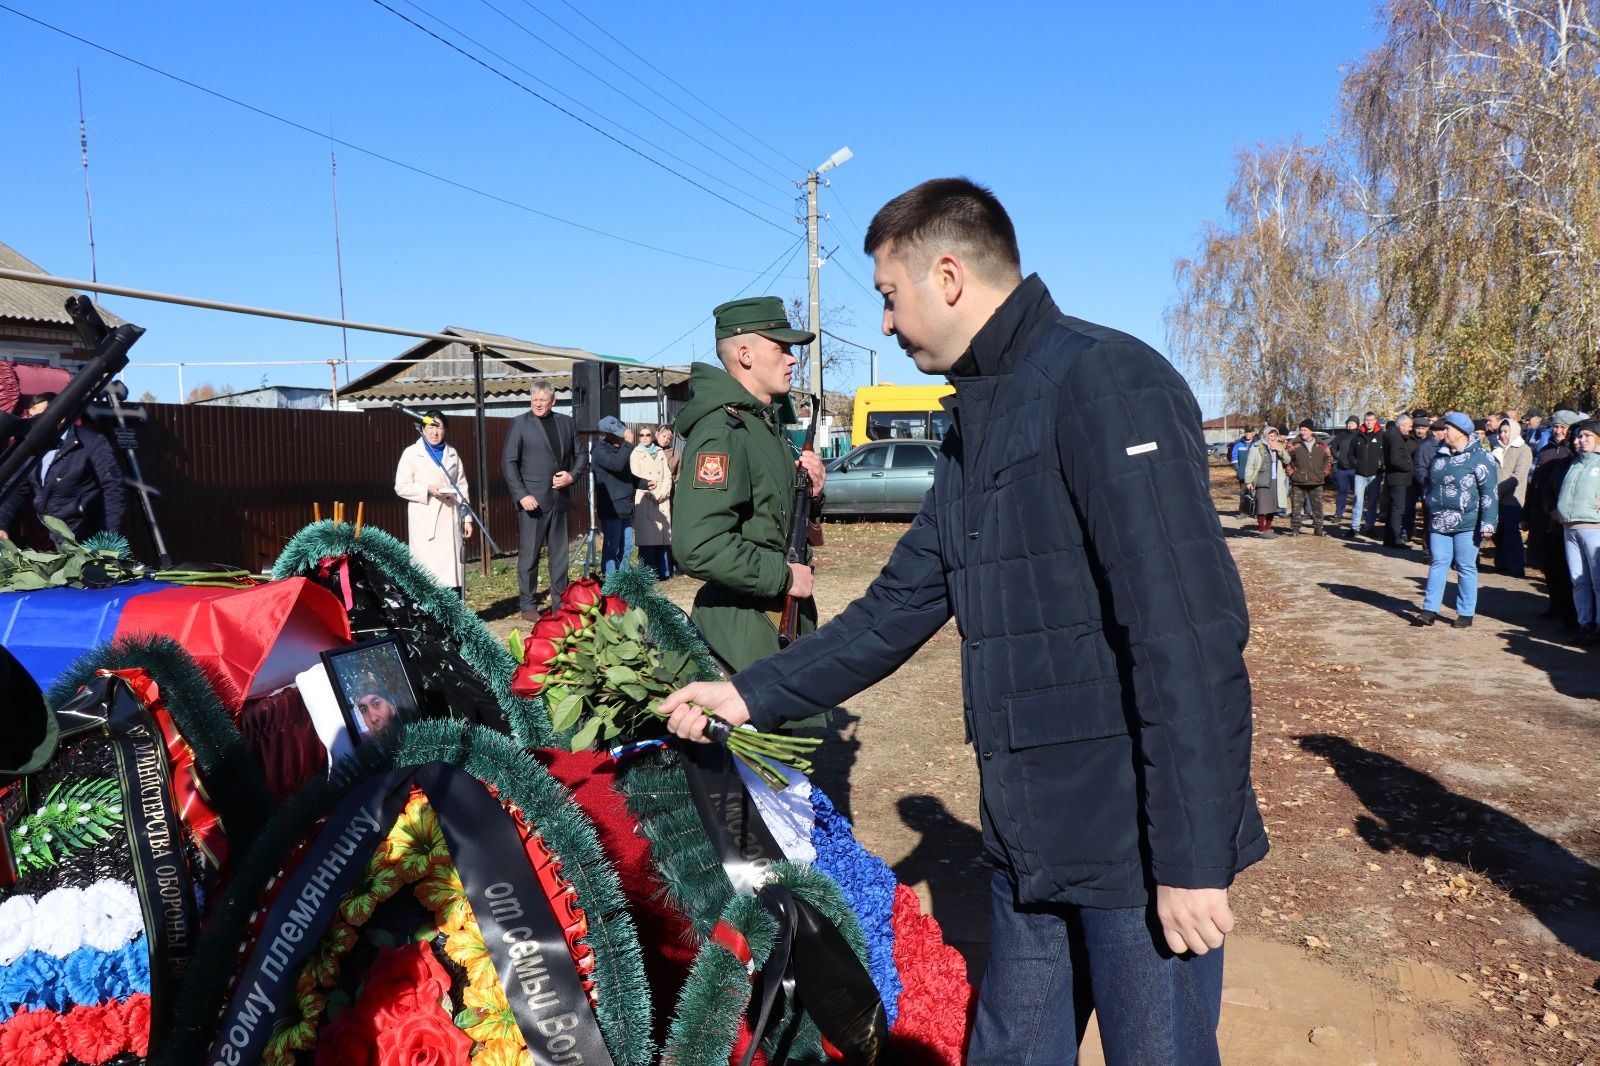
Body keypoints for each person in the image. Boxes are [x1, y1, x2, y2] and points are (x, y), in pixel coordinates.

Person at [659, 178, 1267, 1065]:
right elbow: (896, 606)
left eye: (888, 296)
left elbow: (1186, 635)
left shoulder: (1106, 382)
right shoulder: (977, 422)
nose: (889, 322)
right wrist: (749, 695)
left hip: (1138, 855)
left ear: (946, 275)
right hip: (1031, 843)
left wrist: (1192, 856)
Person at [670, 295, 828, 671]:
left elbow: (772, 522)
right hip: (741, 633)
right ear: (745, 354)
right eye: (782, 348)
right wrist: (783, 575)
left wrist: (814, 496)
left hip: (773, 619)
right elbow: (699, 545)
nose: (792, 359)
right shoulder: (722, 432)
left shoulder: (762, 425)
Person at [502, 380, 586, 621]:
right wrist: (522, 495)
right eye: (534, 399)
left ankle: (560, 603)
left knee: (560, 556)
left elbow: (581, 454)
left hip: (560, 499)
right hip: (532, 503)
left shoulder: (566, 423)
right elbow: (509, 463)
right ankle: (528, 605)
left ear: (553, 401)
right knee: (529, 555)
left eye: (542, 400)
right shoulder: (519, 423)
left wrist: (571, 476)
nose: (538, 404)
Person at [0, 392, 125, 545]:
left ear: (60, 416)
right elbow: (15, 489)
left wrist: (107, 539)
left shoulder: (92, 443)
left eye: (40, 417)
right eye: (31, 417)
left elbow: (113, 488)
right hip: (54, 535)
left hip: (87, 536)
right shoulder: (33, 448)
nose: (34, 423)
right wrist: (1, 524)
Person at [1417, 413, 1498, 628]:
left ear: (1461, 432)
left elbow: (1489, 492)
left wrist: (1488, 523)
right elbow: (1429, 482)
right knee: (1438, 563)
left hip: (1468, 523)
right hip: (1439, 521)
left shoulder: (1480, 457)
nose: (1444, 432)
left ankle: (1465, 612)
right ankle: (1429, 609)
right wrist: (1429, 500)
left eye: (1448, 428)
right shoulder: (1440, 455)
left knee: (1465, 566)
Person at [393, 410, 473, 595]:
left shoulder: (452, 454)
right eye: (431, 427)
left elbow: (462, 488)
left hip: (450, 517)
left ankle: (452, 615)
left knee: (451, 574)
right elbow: (401, 486)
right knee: (428, 574)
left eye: (439, 427)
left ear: (445, 430)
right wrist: (427, 489)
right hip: (426, 520)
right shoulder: (412, 453)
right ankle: (428, 617)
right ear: (423, 428)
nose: (435, 432)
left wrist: (467, 518)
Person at [1528, 410, 1582, 626]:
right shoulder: (1547, 451)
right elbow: (1538, 486)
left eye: (1564, 427)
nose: (1558, 431)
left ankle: (1572, 613)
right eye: (1556, 426)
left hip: (1571, 521)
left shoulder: (1576, 457)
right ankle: (1556, 606)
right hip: (1547, 516)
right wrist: (1541, 510)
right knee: (1550, 564)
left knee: (1568, 568)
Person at [1556, 419, 1600, 643]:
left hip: (1594, 527)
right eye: (1579, 437)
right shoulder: (1575, 464)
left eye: (1587, 437)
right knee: (1578, 580)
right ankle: (1584, 623)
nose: (1580, 440)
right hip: (1569, 527)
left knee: (1597, 580)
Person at [588, 415, 640, 576]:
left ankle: (622, 581)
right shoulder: (599, 451)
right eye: (619, 434)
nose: (622, 437)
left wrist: (646, 483)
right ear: (608, 435)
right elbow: (617, 465)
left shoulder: (618, 451)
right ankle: (611, 584)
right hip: (612, 509)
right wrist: (629, 444)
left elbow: (626, 475)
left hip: (625, 506)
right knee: (613, 547)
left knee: (628, 547)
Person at [630, 423, 674, 580]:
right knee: (647, 541)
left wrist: (663, 493)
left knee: (662, 539)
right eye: (642, 435)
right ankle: (648, 575)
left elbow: (668, 476)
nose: (645, 438)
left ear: (652, 436)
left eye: (648, 435)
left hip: (662, 500)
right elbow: (635, 477)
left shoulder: (660, 452)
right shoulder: (636, 453)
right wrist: (653, 494)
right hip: (645, 500)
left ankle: (664, 573)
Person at [1491, 417, 1531, 577]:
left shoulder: (1523, 449)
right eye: (1500, 431)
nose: (1503, 434)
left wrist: (1501, 491)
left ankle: (1517, 565)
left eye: (1506, 431)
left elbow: (1518, 475)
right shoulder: (1496, 449)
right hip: (1495, 497)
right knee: (1498, 531)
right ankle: (1501, 562)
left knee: (1511, 532)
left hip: (1513, 498)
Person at [1286, 419, 1331, 536]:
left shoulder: (1321, 445)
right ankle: (1295, 528)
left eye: (1305, 430)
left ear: (1311, 431)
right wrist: (1292, 473)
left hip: (1317, 480)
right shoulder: (1294, 444)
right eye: (1301, 430)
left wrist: (1324, 473)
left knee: (1318, 506)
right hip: (1298, 481)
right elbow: (1287, 460)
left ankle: (1318, 528)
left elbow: (1328, 458)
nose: (1302, 432)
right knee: (1296, 506)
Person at [1243, 425, 1289, 537]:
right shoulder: (1256, 446)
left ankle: (1268, 528)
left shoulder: (1279, 446)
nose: (1272, 438)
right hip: (1261, 480)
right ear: (1265, 435)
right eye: (1270, 435)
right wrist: (1248, 481)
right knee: (1262, 506)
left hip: (1275, 480)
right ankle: (1261, 528)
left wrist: (1280, 451)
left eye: (1274, 436)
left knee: (1273, 506)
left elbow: (1287, 460)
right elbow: (1250, 465)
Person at [1381, 413, 1417, 547]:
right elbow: (1395, 460)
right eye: (1409, 426)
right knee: (1398, 509)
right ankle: (1395, 539)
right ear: (1401, 425)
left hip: (1395, 478)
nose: (1411, 429)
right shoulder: (1395, 438)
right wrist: (1410, 467)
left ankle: (1389, 538)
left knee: (1393, 509)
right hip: (1399, 479)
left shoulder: (1393, 435)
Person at [1350, 411, 1385, 537]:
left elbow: (1386, 452)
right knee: (1358, 500)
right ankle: (1354, 527)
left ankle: (1370, 527)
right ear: (1364, 421)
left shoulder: (1382, 435)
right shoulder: (1358, 435)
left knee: (1372, 502)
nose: (1369, 422)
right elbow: (1351, 452)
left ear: (1375, 421)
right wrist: (1355, 464)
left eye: (1371, 420)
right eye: (1366, 420)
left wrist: (1382, 464)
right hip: (1360, 474)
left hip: (1375, 474)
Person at [1330, 415, 1359, 524]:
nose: (1350, 424)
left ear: (1357, 424)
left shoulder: (1360, 435)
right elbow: (1333, 448)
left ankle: (1356, 514)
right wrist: (1338, 457)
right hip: (1342, 469)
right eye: (1348, 422)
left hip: (1355, 470)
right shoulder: (1341, 435)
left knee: (1357, 494)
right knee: (1342, 492)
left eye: (1352, 423)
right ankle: (1338, 514)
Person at [1230, 426, 1258, 514]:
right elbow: (1234, 457)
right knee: (1243, 493)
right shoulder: (1238, 444)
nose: (1248, 434)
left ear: (1253, 433)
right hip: (1243, 473)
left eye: (1249, 432)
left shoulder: (1257, 444)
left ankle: (1254, 511)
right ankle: (1243, 512)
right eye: (1246, 432)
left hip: (1254, 473)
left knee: (1255, 493)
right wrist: (1237, 468)